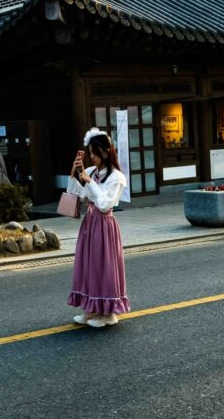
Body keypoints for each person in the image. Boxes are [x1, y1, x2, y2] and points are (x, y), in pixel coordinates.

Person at [67, 127, 130, 329]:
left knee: (105, 267)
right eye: (90, 152)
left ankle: (109, 313)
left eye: (95, 152)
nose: (92, 157)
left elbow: (106, 204)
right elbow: (75, 194)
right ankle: (92, 308)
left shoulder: (117, 177)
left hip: (104, 224)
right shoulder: (92, 172)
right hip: (90, 222)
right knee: (89, 266)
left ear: (106, 151)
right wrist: (75, 172)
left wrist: (88, 182)